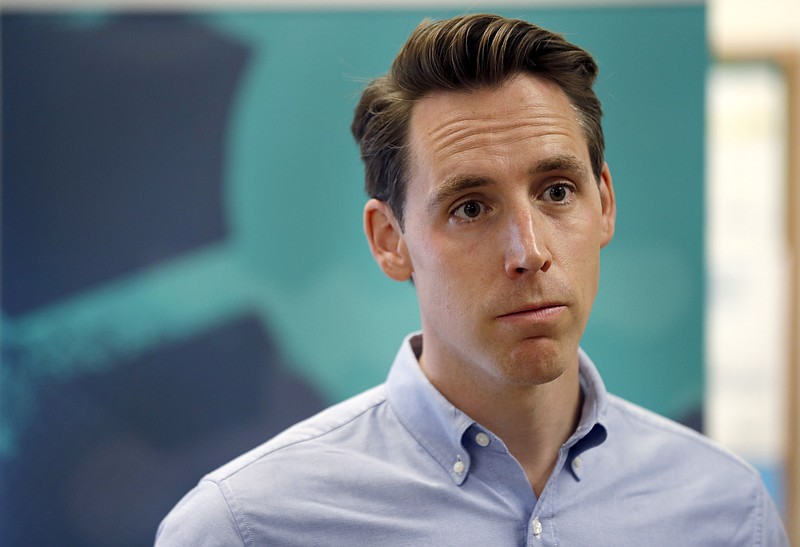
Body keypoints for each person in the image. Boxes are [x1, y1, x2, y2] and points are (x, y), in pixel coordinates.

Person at [155, 14, 788, 546]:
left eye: (557, 191)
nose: (530, 251)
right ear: (390, 242)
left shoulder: (726, 510)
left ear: (605, 204)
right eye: (471, 207)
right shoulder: (245, 528)